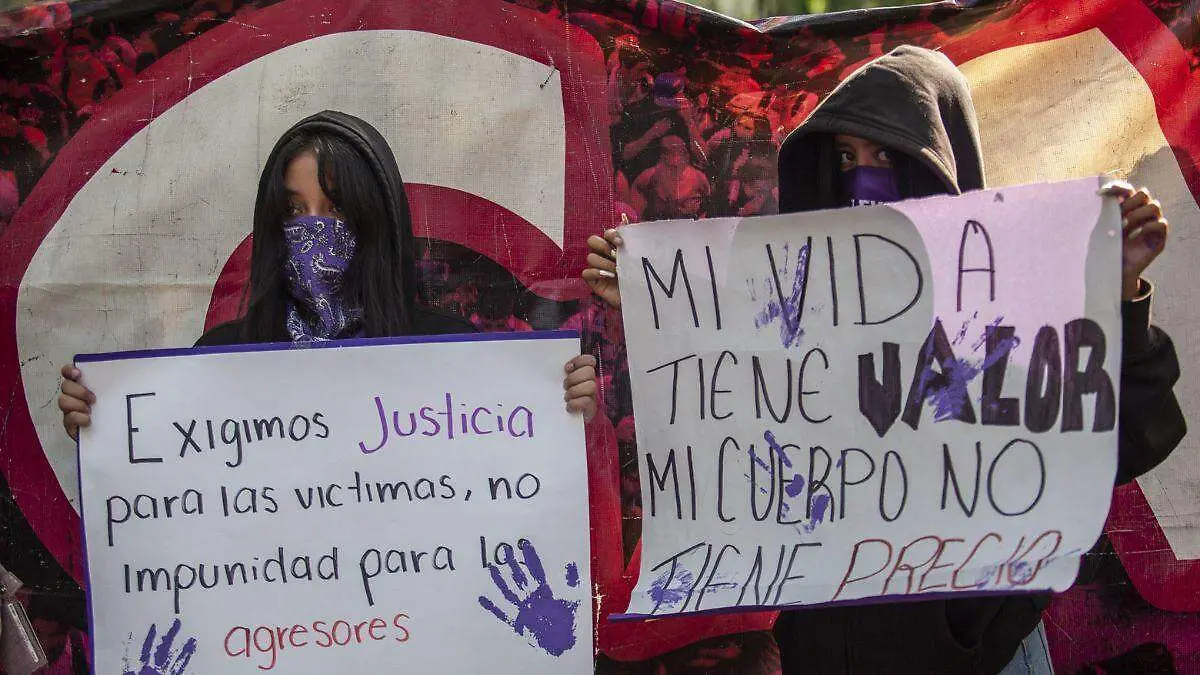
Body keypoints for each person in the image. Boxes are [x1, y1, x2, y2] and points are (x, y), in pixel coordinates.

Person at [582, 46, 1185, 674]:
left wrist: (1120, 293)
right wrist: (656, 312)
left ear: (942, 160)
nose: (862, 179)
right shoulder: (790, 311)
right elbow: (726, 437)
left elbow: (1124, 441)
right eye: (845, 157)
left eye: (887, 157)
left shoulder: (1004, 306)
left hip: (978, 656)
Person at [59, 110, 598, 438]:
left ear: (376, 218)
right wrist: (109, 428)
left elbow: (504, 470)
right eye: (295, 210)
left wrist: (556, 405)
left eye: (336, 208)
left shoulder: (451, 349)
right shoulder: (220, 358)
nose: (314, 230)